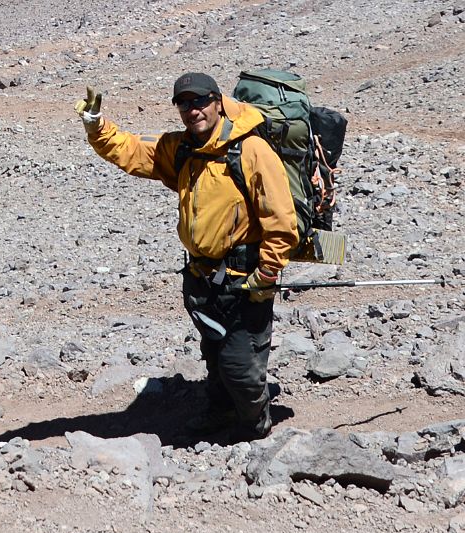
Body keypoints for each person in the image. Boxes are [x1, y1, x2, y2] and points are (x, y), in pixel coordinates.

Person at [74, 72, 298, 441]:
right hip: (200, 277)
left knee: (241, 366)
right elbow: (131, 151)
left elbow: (281, 219)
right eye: (184, 103)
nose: (193, 110)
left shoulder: (250, 150)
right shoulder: (181, 149)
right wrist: (97, 126)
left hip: (245, 277)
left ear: (218, 101)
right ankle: (221, 409)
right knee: (213, 350)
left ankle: (256, 427)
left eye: (200, 101)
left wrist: (268, 273)